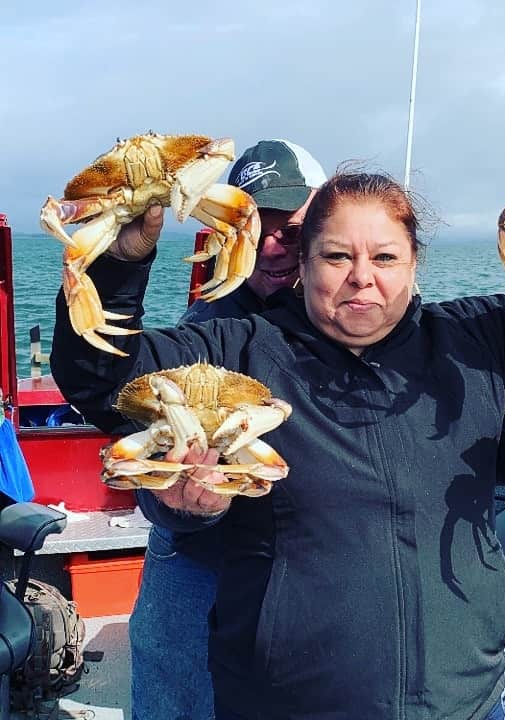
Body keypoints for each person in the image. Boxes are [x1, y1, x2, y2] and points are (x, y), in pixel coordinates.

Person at [51, 169, 505, 719]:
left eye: (386, 257)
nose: (363, 276)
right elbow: (101, 377)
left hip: (467, 694)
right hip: (286, 699)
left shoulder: (476, 340)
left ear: (414, 265)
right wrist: (119, 259)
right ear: (303, 265)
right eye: (337, 256)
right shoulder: (236, 352)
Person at [127, 139, 328, 720]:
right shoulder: (201, 330)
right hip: (200, 553)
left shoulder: (357, 321)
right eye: (249, 226)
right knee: (175, 691)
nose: (270, 246)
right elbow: (152, 469)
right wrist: (180, 506)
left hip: (309, 551)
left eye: (289, 231)